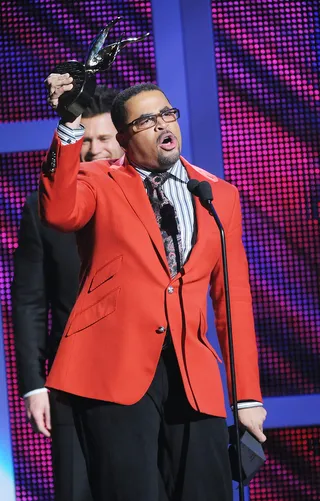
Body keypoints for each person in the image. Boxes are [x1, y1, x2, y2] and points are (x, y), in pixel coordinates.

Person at [39, 72, 267, 501]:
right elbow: (59, 211)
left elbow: (232, 300)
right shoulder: (98, 181)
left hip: (191, 375)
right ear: (124, 139)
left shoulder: (218, 195)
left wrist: (246, 397)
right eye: (147, 121)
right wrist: (69, 125)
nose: (163, 125)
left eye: (167, 114)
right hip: (112, 372)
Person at [11, 85, 124, 501]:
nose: (95, 150)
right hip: (70, 379)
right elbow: (28, 301)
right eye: (87, 140)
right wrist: (33, 384)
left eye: (105, 139)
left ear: (124, 140)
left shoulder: (155, 200)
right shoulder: (42, 208)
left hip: (147, 372)